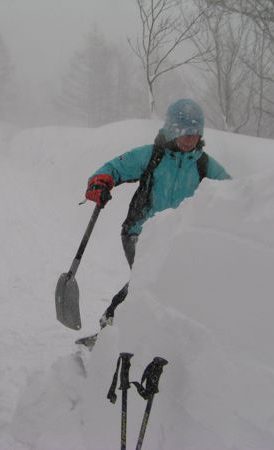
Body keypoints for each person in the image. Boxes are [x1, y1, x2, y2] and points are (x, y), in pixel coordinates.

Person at [85, 99, 231, 327]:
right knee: (147, 280)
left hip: (175, 237)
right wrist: (100, 183)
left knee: (163, 284)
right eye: (184, 133)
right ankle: (111, 326)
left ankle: (149, 334)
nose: (189, 139)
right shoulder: (152, 156)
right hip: (138, 232)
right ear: (172, 131)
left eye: (194, 134)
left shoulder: (203, 165)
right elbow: (114, 168)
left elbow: (233, 192)